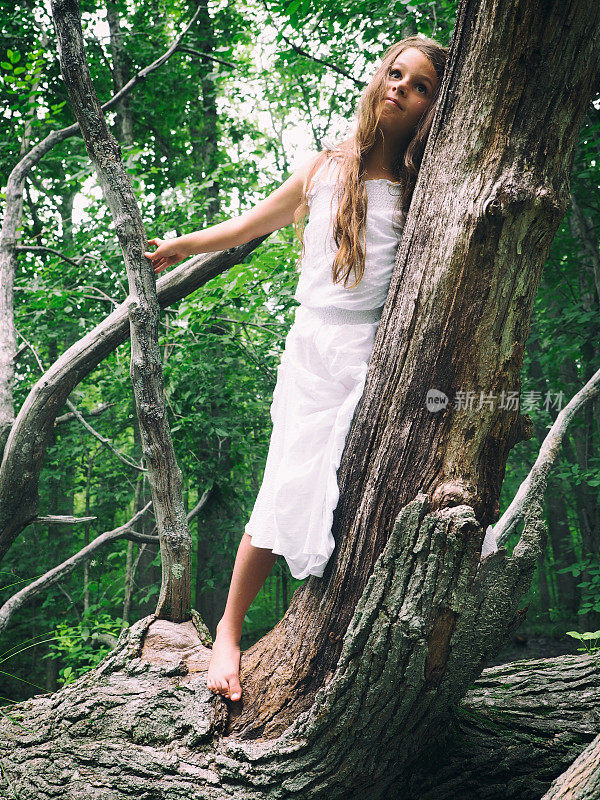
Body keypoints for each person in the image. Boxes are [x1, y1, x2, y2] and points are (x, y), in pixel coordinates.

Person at [144, 35, 448, 703]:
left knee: (359, 488)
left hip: (376, 355)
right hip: (314, 349)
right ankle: (227, 628)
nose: (401, 87)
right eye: (395, 73)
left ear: (434, 106)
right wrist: (182, 244)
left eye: (420, 84)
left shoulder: (421, 185)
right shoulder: (324, 168)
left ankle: (360, 641)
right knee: (287, 483)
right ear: (378, 79)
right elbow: (251, 225)